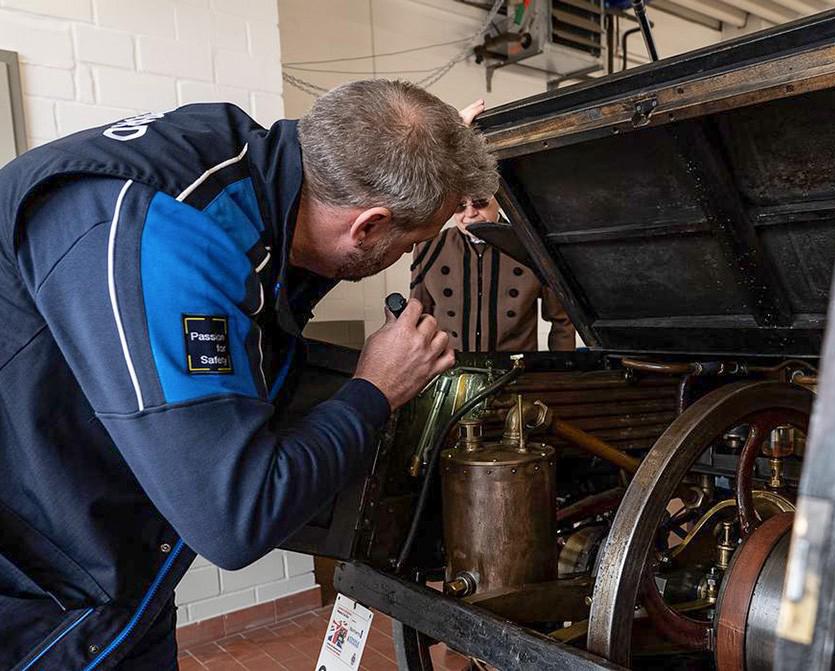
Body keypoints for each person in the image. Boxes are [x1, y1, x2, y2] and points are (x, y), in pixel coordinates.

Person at [0, 81, 496, 668]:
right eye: (409, 242)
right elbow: (234, 520)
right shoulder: (164, 239)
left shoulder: (253, 172)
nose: (403, 256)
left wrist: (436, 156)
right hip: (36, 605)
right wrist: (375, 391)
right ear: (366, 227)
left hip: (103, 562)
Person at [409, 195, 576, 351]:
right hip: (451, 368)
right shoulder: (429, 247)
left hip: (518, 369)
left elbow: (562, 320)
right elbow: (418, 318)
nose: (470, 214)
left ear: (499, 198)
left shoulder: (532, 245)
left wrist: (562, 373)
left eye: (480, 202)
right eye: (459, 206)